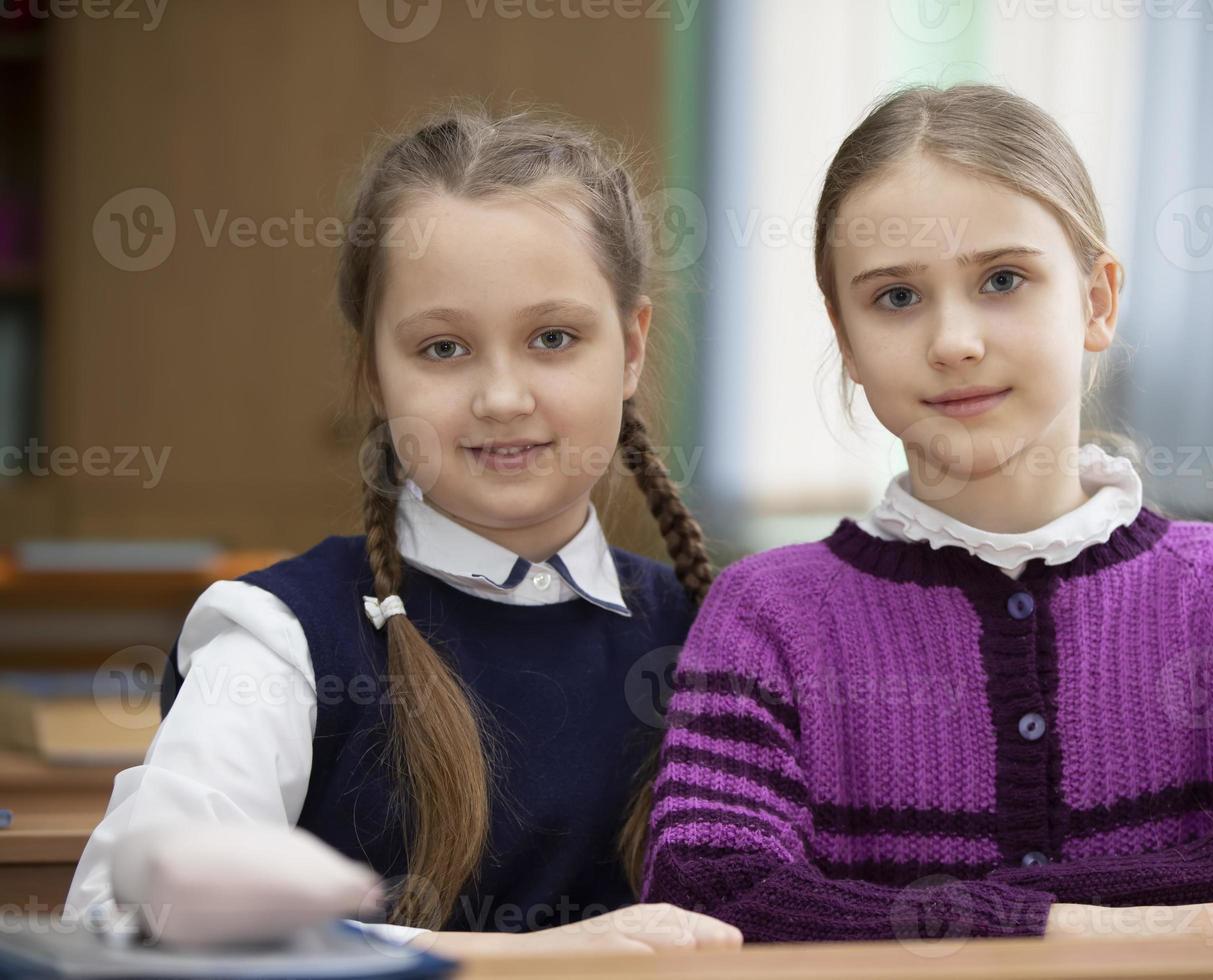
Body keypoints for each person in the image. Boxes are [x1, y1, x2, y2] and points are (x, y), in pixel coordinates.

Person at [633, 83, 1213, 943]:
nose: (954, 340)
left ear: (1097, 300)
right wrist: (1095, 927)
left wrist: (942, 915)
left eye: (1003, 279)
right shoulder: (766, 615)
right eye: (896, 297)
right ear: (846, 340)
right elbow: (709, 901)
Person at [67, 105, 741, 957]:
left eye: (553, 337)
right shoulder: (279, 636)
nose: (502, 396)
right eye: (443, 349)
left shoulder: (721, 634)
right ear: (373, 371)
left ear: (632, 347)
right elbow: (111, 926)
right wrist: (523, 957)